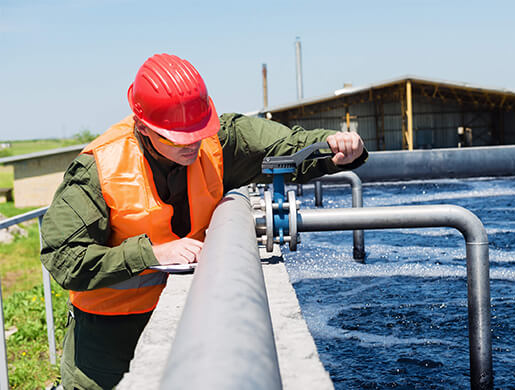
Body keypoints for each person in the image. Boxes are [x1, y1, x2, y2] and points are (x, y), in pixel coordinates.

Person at [40, 53, 367, 389]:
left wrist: (333, 146)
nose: (193, 144)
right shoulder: (98, 169)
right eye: (180, 138)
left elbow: (284, 146)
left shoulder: (218, 140)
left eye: (199, 131)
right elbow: (62, 258)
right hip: (107, 348)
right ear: (143, 128)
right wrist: (151, 254)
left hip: (193, 324)